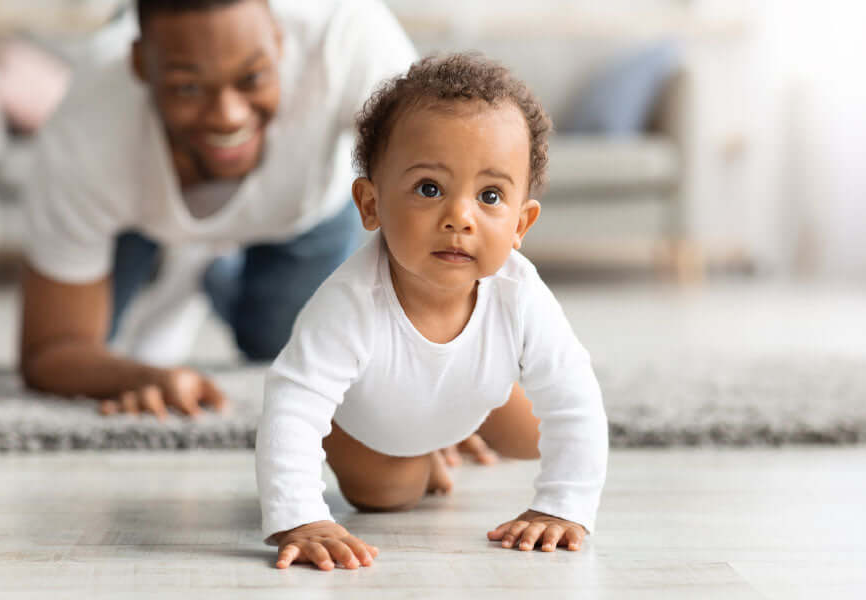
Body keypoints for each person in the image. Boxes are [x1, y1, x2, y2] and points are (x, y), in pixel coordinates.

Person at [256, 53, 609, 571]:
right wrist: (301, 518)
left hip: (466, 393)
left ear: (521, 224)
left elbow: (575, 399)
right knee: (388, 492)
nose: (459, 218)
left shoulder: (520, 292)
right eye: (429, 189)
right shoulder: (349, 303)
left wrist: (563, 507)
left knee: (535, 437)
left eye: (490, 195)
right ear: (371, 204)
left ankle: (455, 424)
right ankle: (425, 454)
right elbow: (293, 405)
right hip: (373, 427)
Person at [18, 0, 417, 418]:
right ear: (140, 65)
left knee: (279, 346)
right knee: (101, 348)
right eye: (187, 87)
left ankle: (212, 273)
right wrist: (143, 378)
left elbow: (438, 191)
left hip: (301, 212)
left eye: (252, 78)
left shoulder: (348, 35)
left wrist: (424, 414)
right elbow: (52, 350)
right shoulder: (87, 128)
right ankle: (184, 254)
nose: (228, 117)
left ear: (280, 42)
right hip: (139, 216)